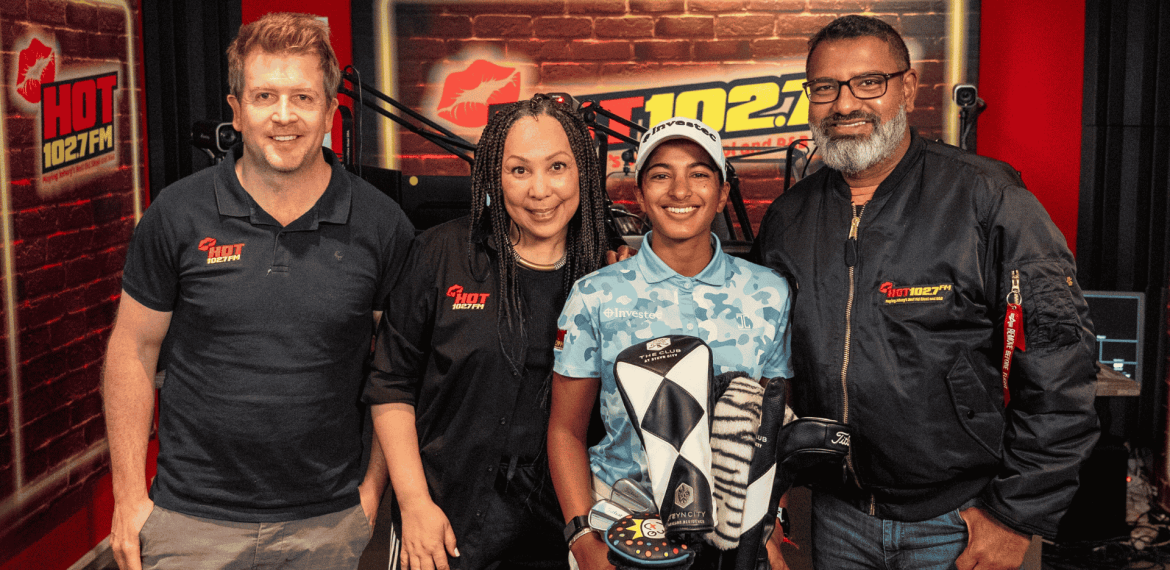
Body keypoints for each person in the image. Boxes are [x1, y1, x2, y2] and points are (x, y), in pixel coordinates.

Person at [752, 15, 1100, 570]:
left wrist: (1015, 514)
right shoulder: (789, 219)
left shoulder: (988, 200)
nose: (844, 104)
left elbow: (1062, 367)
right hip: (837, 516)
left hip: (961, 521)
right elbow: (769, 372)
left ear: (907, 88)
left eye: (869, 82)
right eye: (825, 87)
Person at [102, 13, 413, 570]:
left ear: (329, 110)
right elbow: (132, 350)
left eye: (303, 97)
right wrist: (129, 498)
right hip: (190, 522)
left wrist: (370, 495)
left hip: (329, 522)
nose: (284, 115)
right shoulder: (176, 214)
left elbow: (397, 369)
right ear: (237, 108)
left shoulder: (381, 225)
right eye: (265, 95)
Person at [362, 94, 614, 570]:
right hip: (442, 519)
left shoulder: (606, 272)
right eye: (519, 170)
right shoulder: (440, 254)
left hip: (559, 531)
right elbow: (392, 384)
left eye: (557, 167)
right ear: (493, 179)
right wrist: (415, 504)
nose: (540, 190)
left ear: (582, 170)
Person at [549, 118, 794, 570]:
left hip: (731, 531)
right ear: (640, 195)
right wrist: (583, 538)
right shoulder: (596, 293)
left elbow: (770, 428)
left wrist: (770, 526)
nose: (680, 191)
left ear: (722, 192)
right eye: (661, 174)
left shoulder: (768, 293)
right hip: (621, 525)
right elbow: (565, 431)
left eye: (699, 173)